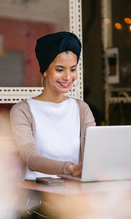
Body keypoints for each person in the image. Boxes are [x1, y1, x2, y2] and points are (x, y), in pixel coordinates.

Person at [10, 31, 96, 180]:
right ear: (45, 70)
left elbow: (95, 149)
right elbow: (30, 158)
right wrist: (70, 168)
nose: (68, 77)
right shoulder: (23, 111)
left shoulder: (82, 109)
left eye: (73, 69)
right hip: (35, 193)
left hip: (75, 192)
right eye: (60, 70)